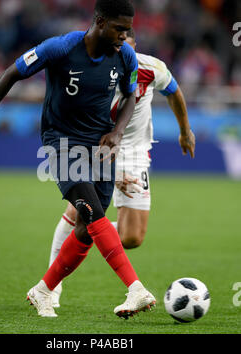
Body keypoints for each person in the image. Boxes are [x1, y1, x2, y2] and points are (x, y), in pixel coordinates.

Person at [0, 0, 156, 319]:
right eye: (119, 28)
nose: (125, 35)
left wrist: (117, 131)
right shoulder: (60, 48)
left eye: (128, 28)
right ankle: (135, 288)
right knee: (92, 212)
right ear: (99, 21)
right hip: (62, 143)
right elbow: (10, 74)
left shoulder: (124, 56)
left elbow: (130, 95)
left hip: (101, 144)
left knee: (88, 229)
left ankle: (43, 290)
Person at [48, 29, 195, 308]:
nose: (121, 52)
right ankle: (52, 285)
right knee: (80, 210)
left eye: (126, 45)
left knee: (132, 237)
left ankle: (94, 230)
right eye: (115, 46)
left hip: (136, 152)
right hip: (98, 146)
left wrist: (185, 130)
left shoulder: (151, 68)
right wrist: (113, 175)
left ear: (134, 46)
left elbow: (174, 91)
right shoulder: (94, 73)